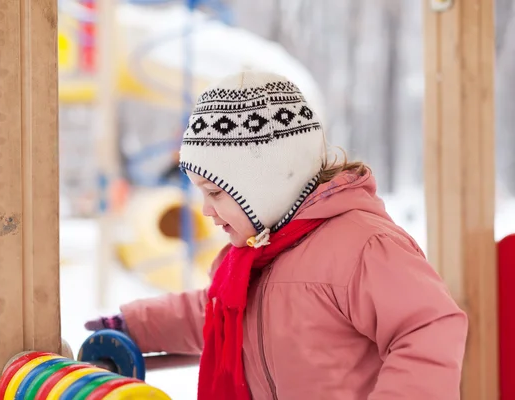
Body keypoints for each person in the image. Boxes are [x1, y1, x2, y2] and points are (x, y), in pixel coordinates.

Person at [85, 71, 468, 399]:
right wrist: (134, 324)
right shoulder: (257, 257)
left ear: (266, 182)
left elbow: (427, 326)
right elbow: (214, 311)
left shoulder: (362, 245)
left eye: (216, 191)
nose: (206, 209)